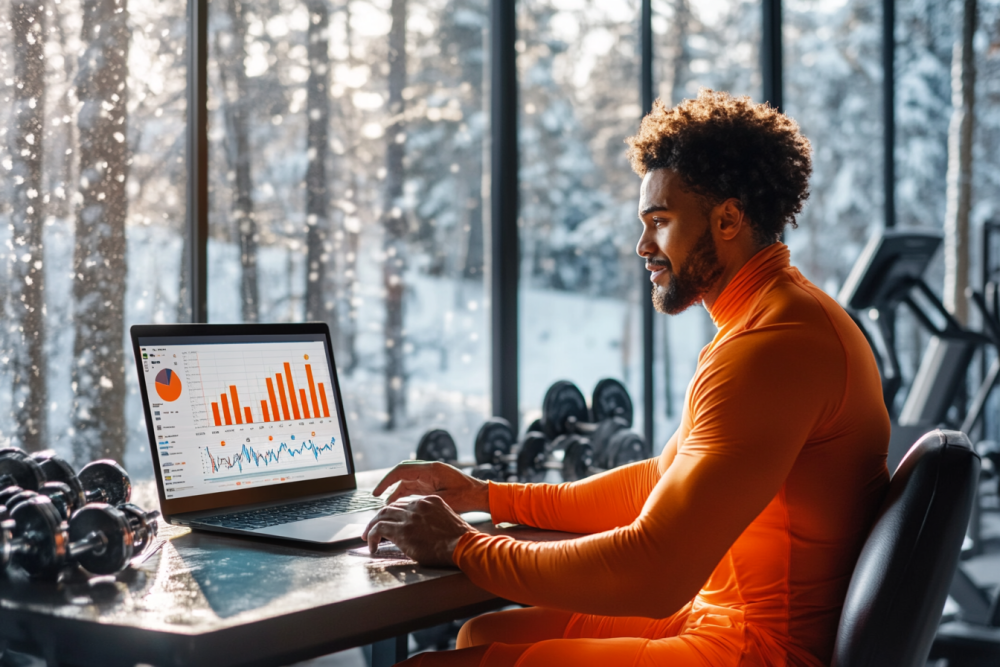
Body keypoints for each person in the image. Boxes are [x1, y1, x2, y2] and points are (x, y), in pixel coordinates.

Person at [363, 89, 890, 667]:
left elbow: (654, 573)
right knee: (485, 636)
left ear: (729, 218)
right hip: (720, 619)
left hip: (760, 651)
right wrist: (486, 495)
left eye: (659, 223)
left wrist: (462, 544)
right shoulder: (771, 318)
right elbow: (659, 482)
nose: (643, 246)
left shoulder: (774, 345)